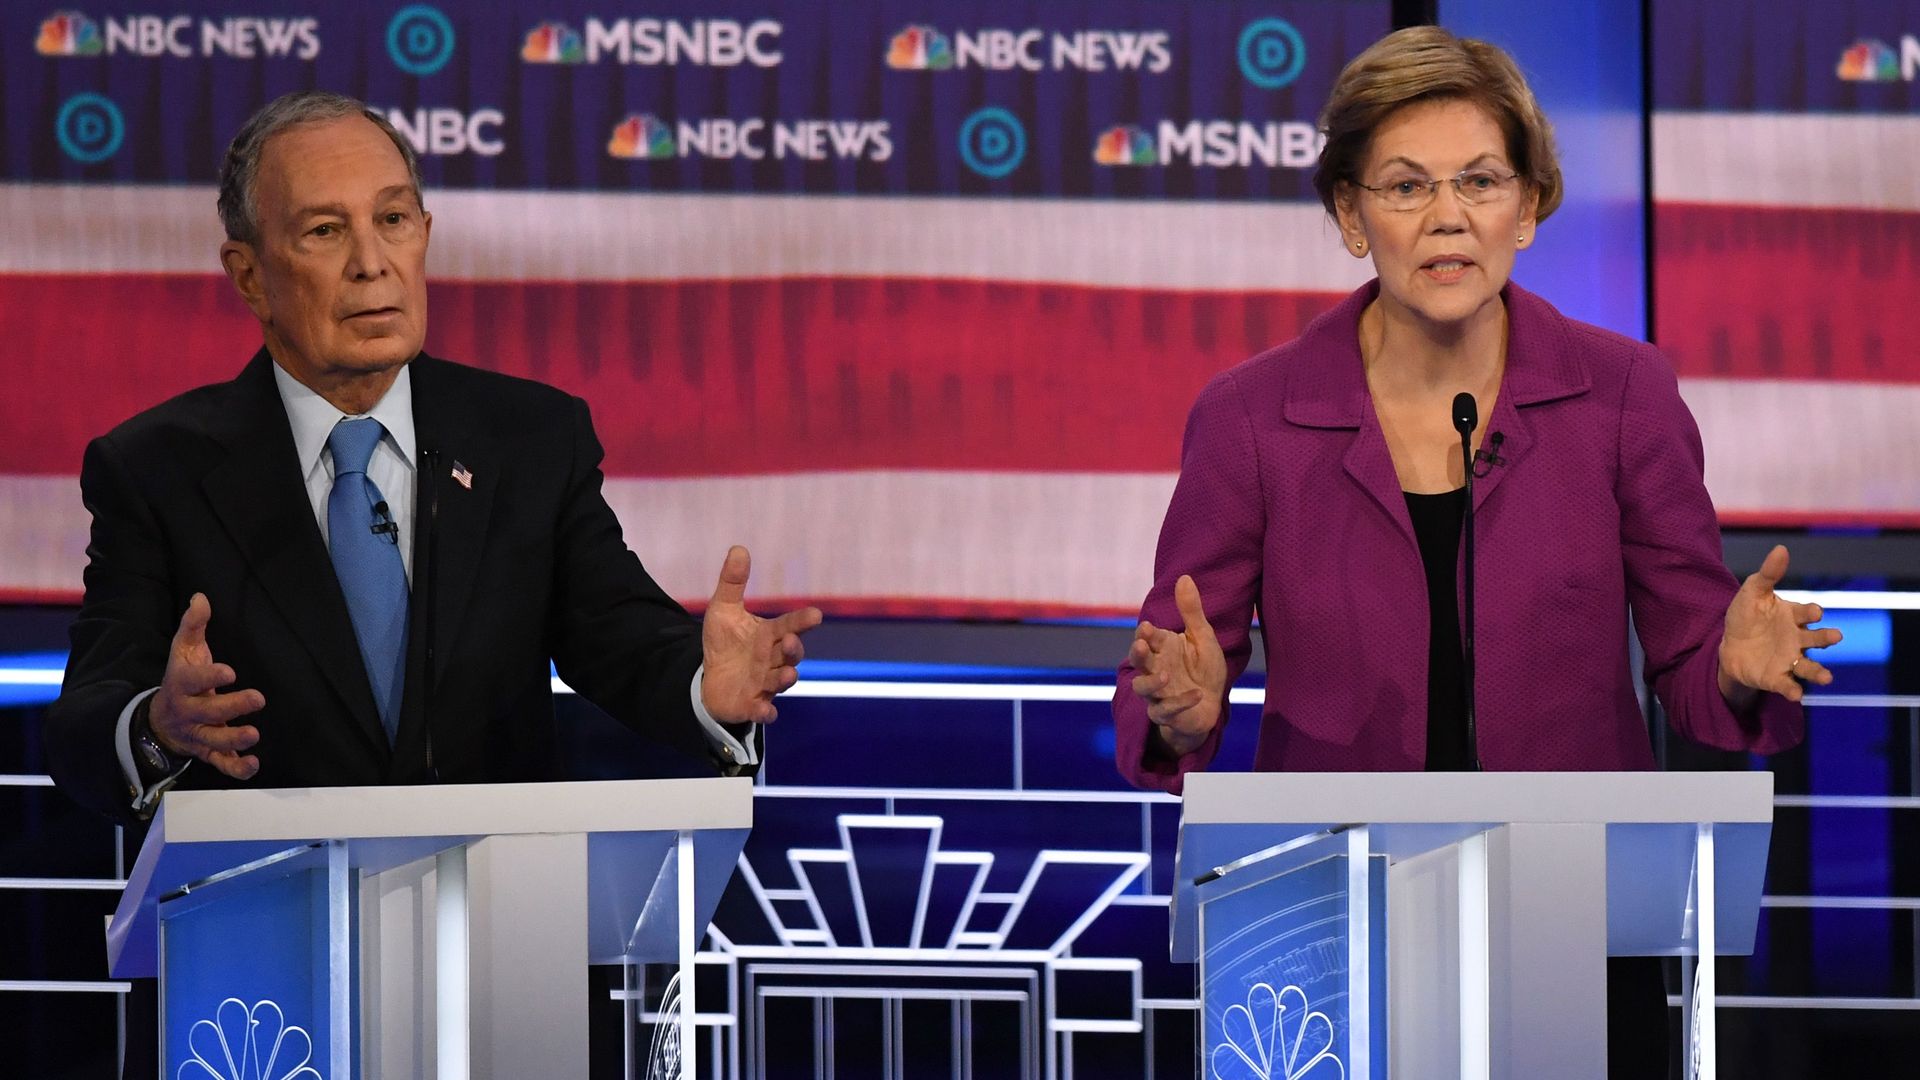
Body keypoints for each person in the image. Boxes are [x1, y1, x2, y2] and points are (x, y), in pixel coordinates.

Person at [1111, 27, 1841, 1079]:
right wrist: (1180, 709)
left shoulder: (1623, 397)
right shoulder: (1251, 419)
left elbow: (1688, 662)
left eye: (1481, 180)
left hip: (1577, 916)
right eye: (1405, 186)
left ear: (1530, 206)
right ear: (1351, 216)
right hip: (1320, 936)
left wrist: (1727, 665)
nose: (1447, 217)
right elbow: (1171, 664)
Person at [43, 90, 822, 825]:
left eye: (393, 219)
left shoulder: (528, 438)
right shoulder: (157, 470)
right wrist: (157, 726)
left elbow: (615, 633)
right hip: (261, 942)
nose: (371, 262)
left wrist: (703, 686)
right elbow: (85, 720)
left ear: (425, 233)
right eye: (324, 231)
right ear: (248, 275)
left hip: (495, 933)